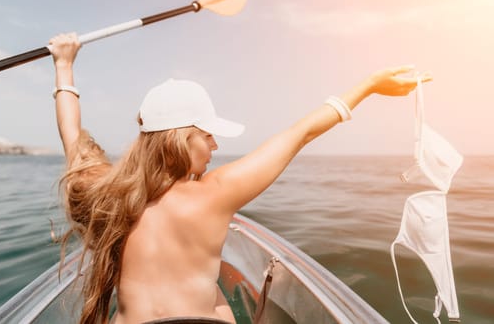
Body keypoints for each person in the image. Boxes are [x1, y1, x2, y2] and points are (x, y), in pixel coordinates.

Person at [49, 32, 431, 324]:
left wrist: (63, 64)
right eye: (208, 134)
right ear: (182, 137)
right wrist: (369, 86)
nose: (215, 145)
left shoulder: (105, 193)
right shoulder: (214, 194)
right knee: (218, 304)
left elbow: (72, 135)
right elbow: (302, 133)